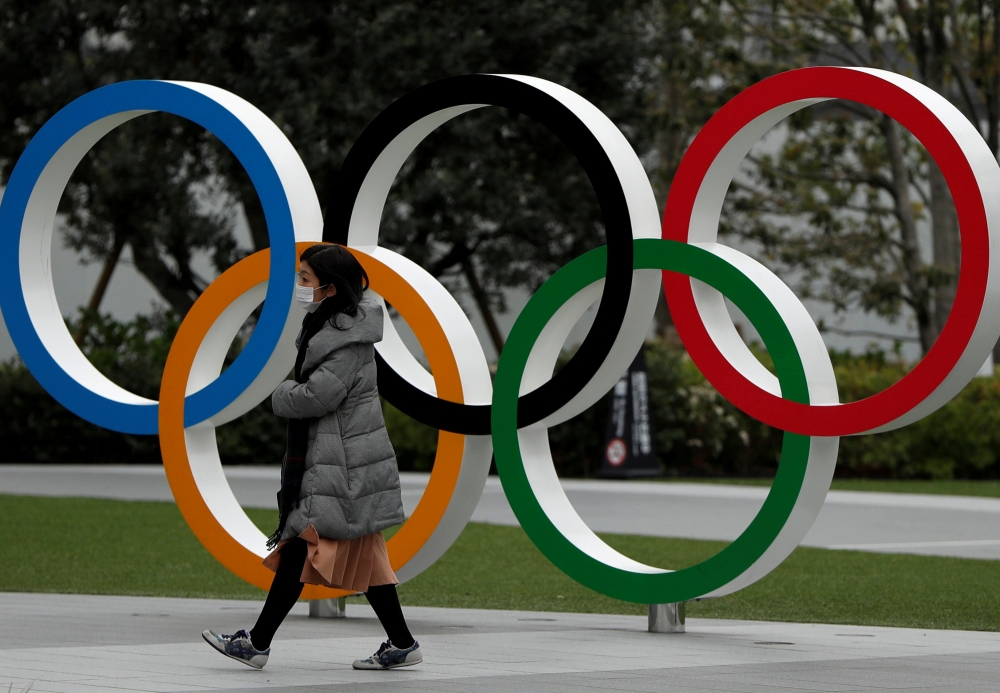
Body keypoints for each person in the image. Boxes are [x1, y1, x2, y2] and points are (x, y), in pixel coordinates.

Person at [201, 244, 421, 671]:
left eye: (305, 279)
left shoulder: (345, 342)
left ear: (331, 287)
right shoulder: (330, 328)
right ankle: (403, 643)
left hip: (344, 466)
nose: (299, 286)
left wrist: (281, 392)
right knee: (363, 560)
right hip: (340, 462)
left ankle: (257, 643)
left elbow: (317, 396)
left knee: (303, 545)